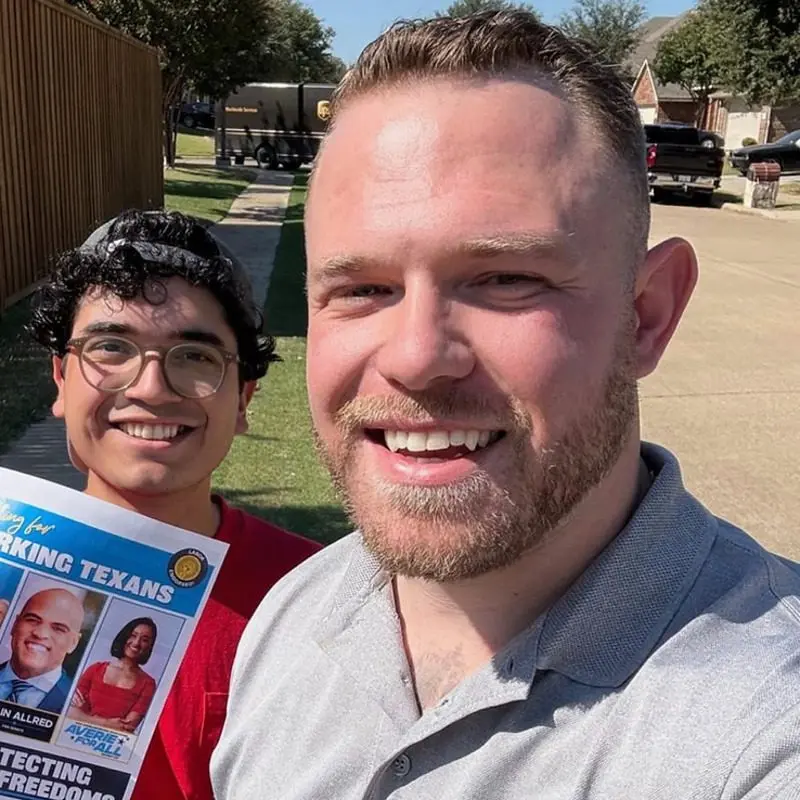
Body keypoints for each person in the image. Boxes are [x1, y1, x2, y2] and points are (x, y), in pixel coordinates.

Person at [212, 10, 800, 800]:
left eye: (504, 280)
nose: (417, 356)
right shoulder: (293, 615)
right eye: (362, 289)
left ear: (648, 316)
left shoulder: (762, 731)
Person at [29, 210, 321, 800]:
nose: (151, 387)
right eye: (111, 347)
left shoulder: (316, 596)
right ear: (60, 379)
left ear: (242, 400)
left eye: (194, 356)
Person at [0, 588, 84, 713]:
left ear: (73, 643)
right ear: (15, 624)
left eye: (58, 629)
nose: (40, 634)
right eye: (32, 620)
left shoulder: (77, 708)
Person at [68, 617, 158, 733]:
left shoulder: (148, 684)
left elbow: (126, 727)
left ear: (149, 647)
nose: (136, 643)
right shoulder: (95, 669)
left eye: (144, 640)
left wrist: (86, 717)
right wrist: (107, 723)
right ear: (124, 636)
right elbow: (69, 712)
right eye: (133, 635)